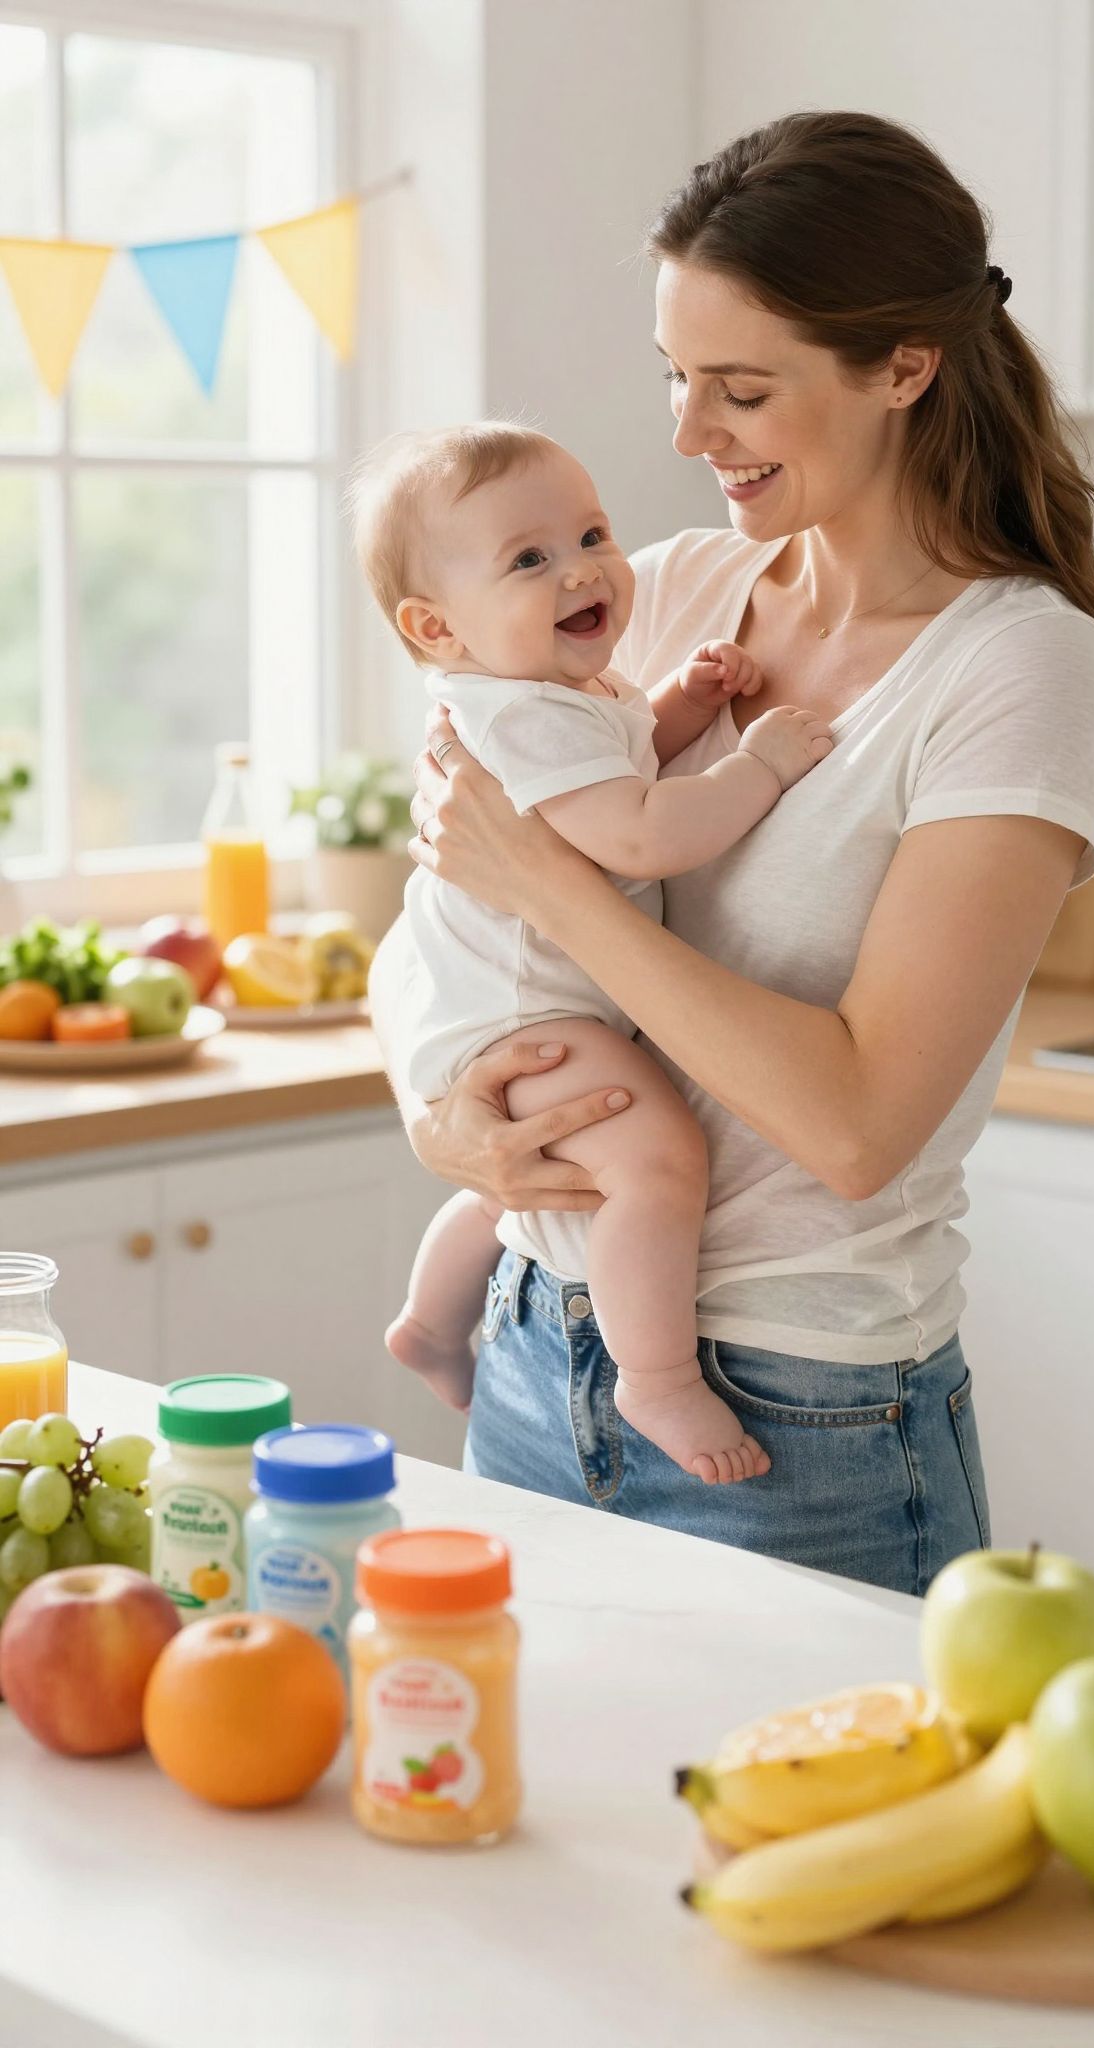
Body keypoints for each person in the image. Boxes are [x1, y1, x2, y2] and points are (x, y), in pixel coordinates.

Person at [370, 111, 1094, 1597]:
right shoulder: (658, 595)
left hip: (805, 1416)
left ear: (904, 367)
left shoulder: (1018, 666)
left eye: (739, 389)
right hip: (532, 1348)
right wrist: (444, 1124)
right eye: (675, 376)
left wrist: (552, 887)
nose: (687, 433)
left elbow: (857, 1127)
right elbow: (449, 913)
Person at [351, 421, 831, 1482]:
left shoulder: (562, 692)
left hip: (506, 999)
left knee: (529, 1185)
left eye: (591, 534)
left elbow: (617, 767)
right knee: (653, 1160)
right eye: (529, 559)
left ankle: (431, 1322)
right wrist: (757, 764)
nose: (582, 569)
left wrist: (684, 703)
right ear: (436, 626)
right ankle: (653, 1375)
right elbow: (640, 833)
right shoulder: (520, 715)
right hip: (529, 1010)